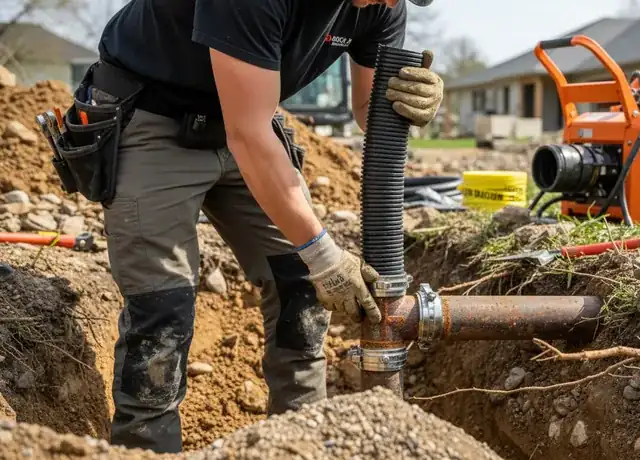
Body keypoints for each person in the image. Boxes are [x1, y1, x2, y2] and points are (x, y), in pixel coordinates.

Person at [87, 0, 443, 453]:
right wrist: (323, 253)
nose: (390, 2)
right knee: (162, 310)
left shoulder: (382, 4)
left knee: (303, 287)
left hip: (247, 117)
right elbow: (250, 135)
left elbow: (367, 105)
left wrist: (409, 101)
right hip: (155, 113)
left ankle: (299, 441)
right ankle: (147, 448)